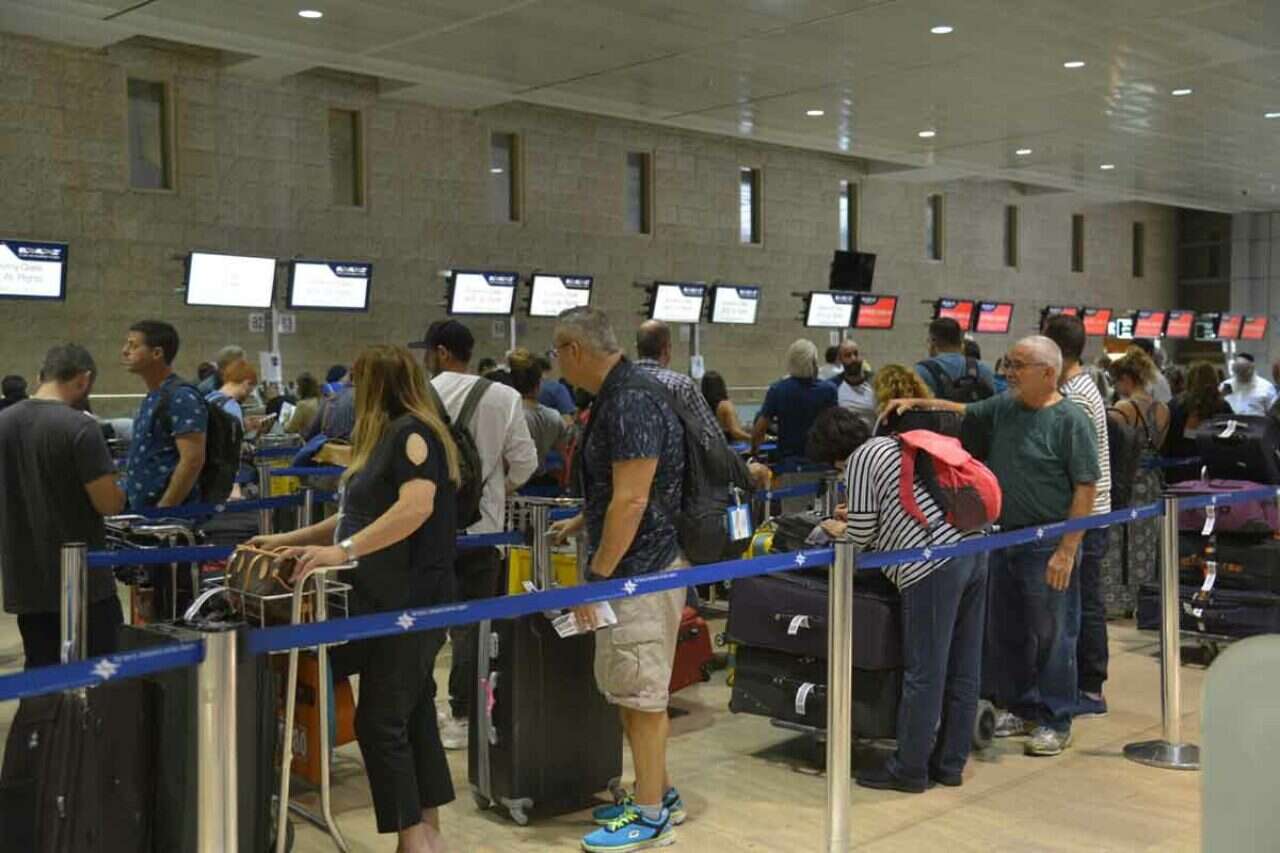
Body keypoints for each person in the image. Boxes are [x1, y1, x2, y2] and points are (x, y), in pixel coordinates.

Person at [251, 345, 459, 853]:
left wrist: (342, 552)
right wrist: (288, 541)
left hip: (412, 602)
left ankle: (414, 841)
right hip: (384, 600)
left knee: (380, 721)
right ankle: (427, 834)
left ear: (376, 384)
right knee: (412, 715)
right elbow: (356, 518)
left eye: (355, 382)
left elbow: (415, 509)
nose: (348, 393)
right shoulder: (385, 438)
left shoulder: (411, 434)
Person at [889, 335, 1099, 757]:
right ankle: (1020, 707)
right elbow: (961, 410)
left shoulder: (1072, 420)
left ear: (1047, 373)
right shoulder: (1005, 406)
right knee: (1007, 633)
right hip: (1002, 538)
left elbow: (1086, 487)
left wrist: (1066, 550)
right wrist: (914, 403)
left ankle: (1056, 717)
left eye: (1018, 366)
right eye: (1008, 363)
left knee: (1054, 635)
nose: (1008, 373)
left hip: (1047, 543)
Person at [544, 306, 687, 852]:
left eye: (557, 353)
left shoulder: (629, 400)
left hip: (639, 571)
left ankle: (651, 818)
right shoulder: (619, 394)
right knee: (631, 691)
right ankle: (660, 793)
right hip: (634, 564)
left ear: (575, 350)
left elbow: (632, 500)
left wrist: (596, 576)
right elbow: (621, 489)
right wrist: (584, 521)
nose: (557, 364)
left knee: (644, 697)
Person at [807, 408, 988, 794]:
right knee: (963, 665)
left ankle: (909, 769)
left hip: (931, 564)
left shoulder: (859, 459)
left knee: (924, 671)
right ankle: (950, 764)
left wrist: (837, 527)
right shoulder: (893, 445)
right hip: (972, 548)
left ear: (832, 453)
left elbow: (861, 534)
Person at [413, 320, 536, 750]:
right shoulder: (503, 396)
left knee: (423, 623)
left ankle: (421, 711)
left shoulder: (419, 394)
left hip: (426, 531)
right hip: (484, 532)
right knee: (472, 628)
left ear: (442, 352)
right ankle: (464, 715)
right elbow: (526, 463)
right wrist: (496, 489)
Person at [0, 345, 126, 668]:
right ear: (83, 380)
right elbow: (108, 503)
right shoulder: (81, 427)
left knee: (42, 674)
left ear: (39, 377)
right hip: (83, 584)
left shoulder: (4, 422)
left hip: (26, 583)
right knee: (101, 675)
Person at [1043, 314, 1113, 717]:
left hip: (1085, 517)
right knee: (1082, 601)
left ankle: (1090, 687)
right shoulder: (1077, 388)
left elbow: (1083, 473)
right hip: (1085, 516)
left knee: (1084, 603)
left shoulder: (1078, 398)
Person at [121, 321, 207, 510]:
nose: (125, 351)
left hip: (170, 517)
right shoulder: (155, 396)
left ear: (157, 353)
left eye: (133, 345)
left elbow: (192, 460)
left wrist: (165, 508)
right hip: (145, 513)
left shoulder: (181, 397)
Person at [1109, 348, 1170, 615]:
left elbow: (1112, 446)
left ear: (1126, 379)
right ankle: (1142, 599)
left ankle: (1118, 600)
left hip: (1127, 480)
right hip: (1152, 480)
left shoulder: (1123, 409)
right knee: (1145, 542)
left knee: (1119, 542)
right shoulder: (1163, 409)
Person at [634, 320, 724, 445]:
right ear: (666, 349)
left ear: (637, 348)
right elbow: (712, 435)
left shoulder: (617, 383)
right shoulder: (681, 385)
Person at [751, 339, 837, 460]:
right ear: (814, 363)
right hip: (821, 460)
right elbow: (834, 428)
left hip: (788, 461)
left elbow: (760, 428)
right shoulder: (829, 390)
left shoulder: (778, 390)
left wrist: (754, 452)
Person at [1163, 361, 1232, 483]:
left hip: (1178, 471)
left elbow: (1167, 440)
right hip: (1213, 472)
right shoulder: (1223, 407)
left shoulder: (1174, 405)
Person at [508, 347, 569, 483]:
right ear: (538, 384)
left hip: (513, 485)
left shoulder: (509, 417)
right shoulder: (554, 417)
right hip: (544, 484)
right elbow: (564, 456)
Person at [915, 318, 999, 401]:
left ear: (933, 342)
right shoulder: (984, 369)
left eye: (928, 341)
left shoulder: (921, 371)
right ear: (961, 343)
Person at [828, 339, 876, 426]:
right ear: (840, 360)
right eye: (848, 355)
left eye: (856, 354)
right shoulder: (833, 386)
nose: (853, 358)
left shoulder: (875, 382)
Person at [700, 371, 751, 444]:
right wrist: (754, 437)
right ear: (721, 386)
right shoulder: (725, 405)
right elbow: (735, 432)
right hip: (727, 445)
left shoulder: (701, 404)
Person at [205, 358, 258, 426]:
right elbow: (234, 432)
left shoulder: (208, 398)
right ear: (247, 383)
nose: (250, 393)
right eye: (251, 389)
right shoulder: (232, 406)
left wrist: (244, 424)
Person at [1130, 339, 1172, 404]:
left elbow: (1165, 406)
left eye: (1135, 354)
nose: (1130, 358)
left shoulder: (1158, 380)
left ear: (1148, 353)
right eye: (1129, 354)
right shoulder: (1129, 376)